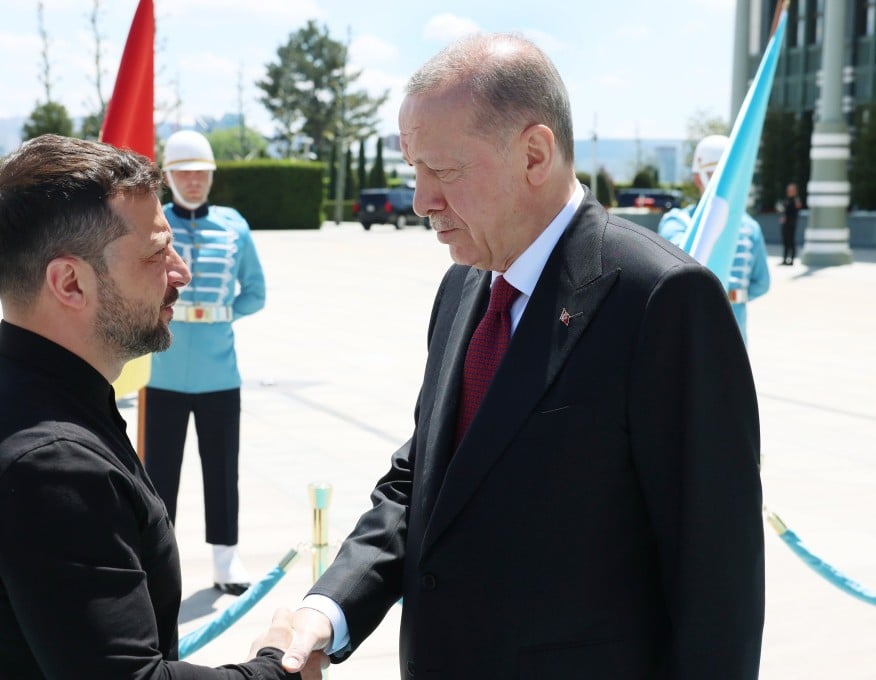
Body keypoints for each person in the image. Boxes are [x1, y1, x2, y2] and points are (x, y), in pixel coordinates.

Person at [282, 33, 764, 679]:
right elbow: (426, 479)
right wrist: (329, 609)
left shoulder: (662, 299)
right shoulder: (465, 285)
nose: (423, 200)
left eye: (444, 171)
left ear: (534, 153)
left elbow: (716, 573)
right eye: (413, 172)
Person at [0, 134, 298, 679]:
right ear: (70, 282)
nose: (180, 272)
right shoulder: (52, 463)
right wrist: (277, 669)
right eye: (157, 253)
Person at [140, 129, 266, 596]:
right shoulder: (153, 224)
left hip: (219, 371)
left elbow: (256, 290)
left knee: (221, 466)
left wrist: (223, 312)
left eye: (200, 173)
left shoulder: (234, 226)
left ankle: (225, 556)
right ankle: (156, 559)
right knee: (157, 474)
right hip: (164, 372)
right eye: (183, 172)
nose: (193, 181)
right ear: (169, 177)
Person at [658, 134, 771, 344]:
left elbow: (762, 282)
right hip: (711, 327)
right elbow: (760, 283)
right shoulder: (679, 223)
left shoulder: (678, 223)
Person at [779, 181, 803, 265]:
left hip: (791, 224)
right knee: (785, 241)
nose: (789, 191)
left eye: (791, 190)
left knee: (791, 241)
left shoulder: (796, 199)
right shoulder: (787, 199)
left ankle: (791, 260)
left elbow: (797, 208)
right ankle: (785, 259)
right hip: (785, 224)